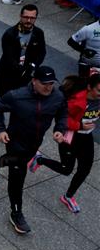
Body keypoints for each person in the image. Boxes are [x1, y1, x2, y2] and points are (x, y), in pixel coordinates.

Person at [0, 66, 68, 235]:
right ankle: (16, 212)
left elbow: (62, 112)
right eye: (44, 83)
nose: (48, 87)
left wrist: (60, 129)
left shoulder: (57, 96)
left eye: (51, 83)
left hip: (34, 144)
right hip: (16, 141)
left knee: (17, 161)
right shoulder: (17, 96)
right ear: (34, 81)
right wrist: (1, 129)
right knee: (17, 176)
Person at [28, 74, 100, 213]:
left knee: (85, 169)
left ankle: (68, 197)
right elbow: (62, 117)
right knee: (66, 169)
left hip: (86, 137)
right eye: (99, 90)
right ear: (90, 87)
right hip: (70, 136)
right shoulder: (76, 101)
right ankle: (39, 160)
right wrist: (80, 126)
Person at [0, 5, 46, 97]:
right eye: (26, 17)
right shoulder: (10, 34)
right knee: (5, 98)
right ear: (20, 16)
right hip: (7, 74)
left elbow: (42, 52)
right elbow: (8, 57)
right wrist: (23, 71)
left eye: (32, 18)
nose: (29, 21)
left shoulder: (38, 33)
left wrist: (32, 66)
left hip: (26, 75)